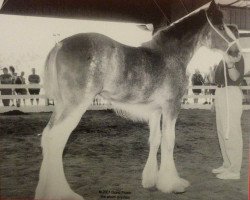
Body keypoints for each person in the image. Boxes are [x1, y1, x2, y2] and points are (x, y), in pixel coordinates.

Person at [212, 55, 245, 180]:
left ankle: (234, 170)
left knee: (231, 132)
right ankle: (227, 165)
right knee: (222, 132)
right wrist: (215, 101)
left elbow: (235, 77)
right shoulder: (223, 56)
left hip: (230, 93)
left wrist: (230, 64)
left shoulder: (237, 56)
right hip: (221, 92)